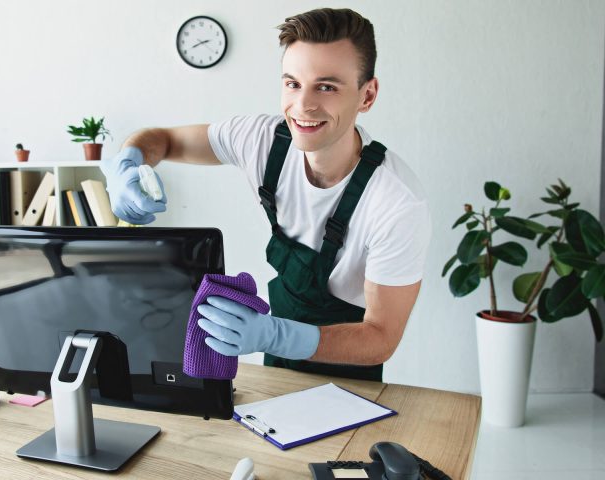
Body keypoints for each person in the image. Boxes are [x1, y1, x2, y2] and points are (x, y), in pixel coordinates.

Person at [100, 7, 431, 381]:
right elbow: (162, 139)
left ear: (367, 96)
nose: (303, 106)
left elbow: (380, 340)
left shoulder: (396, 204)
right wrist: (129, 164)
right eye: (292, 83)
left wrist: (273, 334)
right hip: (277, 368)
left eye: (326, 87)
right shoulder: (261, 141)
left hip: (351, 378)